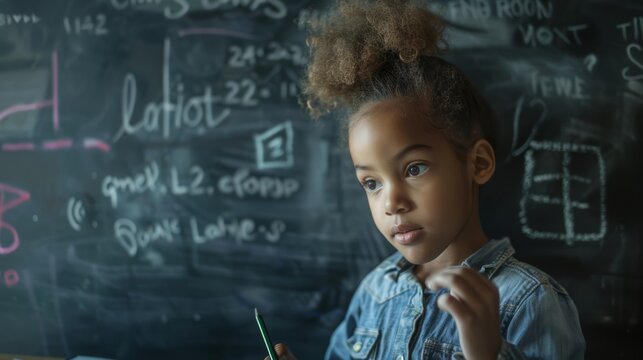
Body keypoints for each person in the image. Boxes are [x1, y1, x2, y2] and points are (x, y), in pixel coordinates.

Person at [265, 0, 586, 358]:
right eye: (372, 183)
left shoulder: (529, 300)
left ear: (478, 163)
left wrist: (489, 353)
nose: (391, 202)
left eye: (414, 168)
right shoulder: (376, 291)